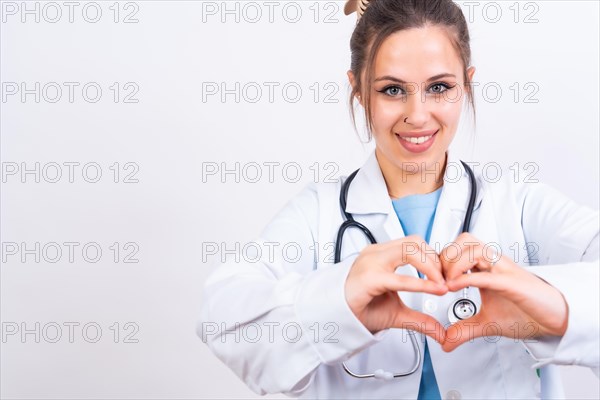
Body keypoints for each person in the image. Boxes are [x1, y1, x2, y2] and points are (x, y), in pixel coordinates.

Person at [198, 0, 600, 398]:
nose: (418, 115)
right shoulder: (316, 215)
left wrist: (552, 303)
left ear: (467, 84)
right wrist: (338, 301)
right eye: (392, 90)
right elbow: (223, 319)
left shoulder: (520, 206)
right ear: (357, 90)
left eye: (439, 87)